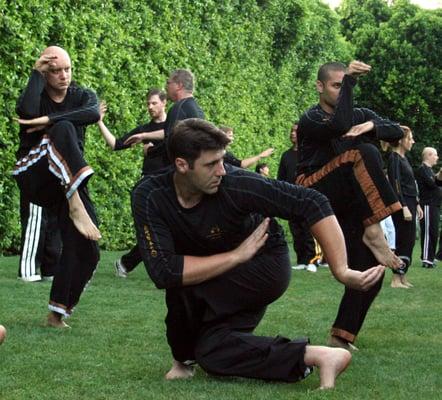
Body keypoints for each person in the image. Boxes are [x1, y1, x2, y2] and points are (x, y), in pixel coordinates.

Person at [132, 118, 385, 389]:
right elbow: (164, 270)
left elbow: (312, 202)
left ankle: (182, 362)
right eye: (211, 164)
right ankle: (318, 356)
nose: (221, 171)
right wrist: (235, 256)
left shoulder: (236, 184)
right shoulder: (150, 196)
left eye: (222, 160)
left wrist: (342, 270)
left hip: (264, 265)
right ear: (182, 165)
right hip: (235, 261)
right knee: (212, 351)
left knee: (186, 290)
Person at [296, 60, 405, 350]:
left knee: (367, 272)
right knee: (363, 151)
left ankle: (341, 336)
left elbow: (398, 132)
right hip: (314, 189)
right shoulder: (311, 117)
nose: (342, 91)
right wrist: (352, 83)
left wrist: (372, 124)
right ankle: (375, 230)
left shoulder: (358, 114)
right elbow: (340, 125)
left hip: (349, 202)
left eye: (344, 85)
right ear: (319, 87)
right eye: (337, 86)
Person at [13, 46, 101, 328]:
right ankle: (75, 202)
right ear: (45, 72)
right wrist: (35, 75)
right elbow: (25, 113)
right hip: (35, 172)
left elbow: (92, 112)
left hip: (66, 177)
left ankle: (57, 314)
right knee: (63, 130)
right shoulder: (36, 95)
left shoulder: (81, 95)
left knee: (87, 248)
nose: (63, 76)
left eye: (67, 69)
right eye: (54, 71)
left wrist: (48, 120)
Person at [97, 88, 167, 278]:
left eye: (154, 103)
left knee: (163, 230)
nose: (150, 107)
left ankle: (126, 263)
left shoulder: (174, 126)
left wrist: (151, 146)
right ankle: (128, 264)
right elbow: (116, 144)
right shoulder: (144, 129)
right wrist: (100, 122)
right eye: (148, 104)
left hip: (172, 186)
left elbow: (175, 134)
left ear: (164, 103)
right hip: (150, 187)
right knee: (153, 231)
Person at [277, 123, 319, 272]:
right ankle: (302, 260)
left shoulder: (309, 154)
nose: (293, 133)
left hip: (306, 197)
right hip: (290, 197)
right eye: (291, 131)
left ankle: (312, 261)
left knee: (308, 230)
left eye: (296, 131)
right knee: (296, 229)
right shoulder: (286, 155)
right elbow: (281, 177)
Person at [386, 126, 423, 288]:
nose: (413, 141)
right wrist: (403, 206)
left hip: (410, 203)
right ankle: (395, 279)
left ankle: (402, 276)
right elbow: (396, 185)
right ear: (401, 140)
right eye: (410, 138)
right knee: (402, 240)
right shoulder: (394, 158)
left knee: (409, 241)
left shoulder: (404, 159)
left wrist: (416, 204)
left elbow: (409, 185)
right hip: (403, 204)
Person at [18, 196, 61, 282]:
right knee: (36, 218)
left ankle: (50, 270)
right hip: (36, 186)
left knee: (55, 219)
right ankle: (28, 270)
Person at [415, 147, 442, 268]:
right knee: (427, 232)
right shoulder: (423, 170)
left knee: (434, 232)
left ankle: (430, 258)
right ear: (429, 155)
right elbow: (433, 184)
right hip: (427, 205)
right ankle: (426, 259)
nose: (437, 157)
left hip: (434, 205)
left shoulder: (430, 170)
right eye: (435, 155)